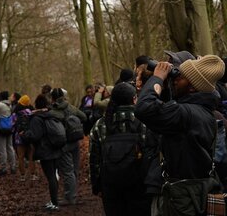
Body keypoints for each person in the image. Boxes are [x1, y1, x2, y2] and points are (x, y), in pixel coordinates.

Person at [135, 55, 225, 216]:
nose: (174, 80)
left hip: (182, 198)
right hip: (194, 192)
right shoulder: (203, 112)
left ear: (192, 87)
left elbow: (144, 108)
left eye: (180, 78)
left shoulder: (185, 114)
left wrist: (157, 77)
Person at [90, 82, 151, 216]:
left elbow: (94, 158)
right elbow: (152, 152)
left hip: (111, 185)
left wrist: (96, 186)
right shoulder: (145, 121)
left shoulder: (100, 124)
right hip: (140, 184)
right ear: (134, 98)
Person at [22, 94, 62, 211]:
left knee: (51, 177)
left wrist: (25, 135)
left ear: (36, 104)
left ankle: (54, 203)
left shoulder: (37, 118)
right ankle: (54, 200)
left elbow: (36, 136)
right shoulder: (51, 115)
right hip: (55, 148)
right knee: (53, 176)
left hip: (45, 151)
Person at [49, 88, 86, 205]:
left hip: (64, 144)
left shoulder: (53, 112)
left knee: (67, 171)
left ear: (53, 98)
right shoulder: (70, 107)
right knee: (73, 170)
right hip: (75, 141)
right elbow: (84, 117)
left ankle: (70, 198)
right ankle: (72, 195)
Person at [0, 91, 16, 175]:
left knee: (2, 149)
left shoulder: (0, 105)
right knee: (10, 147)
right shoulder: (10, 105)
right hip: (9, 128)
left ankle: (3, 168)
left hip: (1, 129)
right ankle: (13, 167)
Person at [11, 95, 36, 181]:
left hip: (19, 137)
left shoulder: (15, 113)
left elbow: (12, 125)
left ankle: (22, 176)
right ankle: (33, 175)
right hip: (29, 136)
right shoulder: (31, 112)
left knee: (20, 157)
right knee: (31, 156)